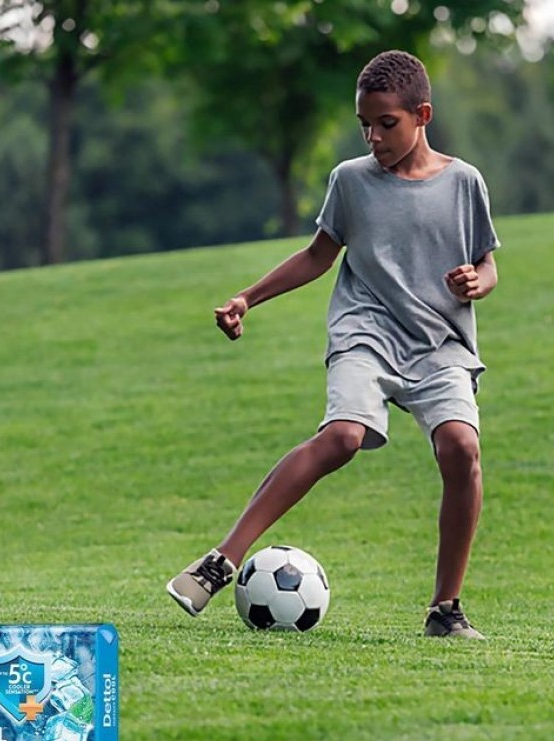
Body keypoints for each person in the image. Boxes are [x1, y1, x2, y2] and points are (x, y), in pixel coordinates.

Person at [166, 50, 499, 638]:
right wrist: (247, 298)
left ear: (422, 115)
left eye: (387, 124)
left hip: (440, 342)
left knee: (461, 448)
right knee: (343, 436)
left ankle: (445, 610)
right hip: (365, 331)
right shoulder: (351, 181)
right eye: (365, 125)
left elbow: (487, 263)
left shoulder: (464, 181)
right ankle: (220, 561)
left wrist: (478, 281)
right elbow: (318, 255)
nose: (374, 137)